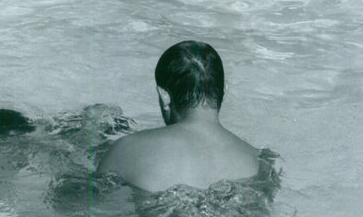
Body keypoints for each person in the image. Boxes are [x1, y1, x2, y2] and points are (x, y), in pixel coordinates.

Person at [96, 41, 260, 192]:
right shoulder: (260, 161)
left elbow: (95, 209)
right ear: (224, 90)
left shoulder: (126, 149)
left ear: (164, 96)